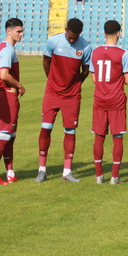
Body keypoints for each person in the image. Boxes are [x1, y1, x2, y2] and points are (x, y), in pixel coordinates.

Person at [36, 18, 93, 183]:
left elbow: (86, 70)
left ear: (80, 33)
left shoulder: (86, 46)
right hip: (52, 93)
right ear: (66, 29)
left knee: (70, 131)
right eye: (70, 36)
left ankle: (67, 171)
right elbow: (46, 62)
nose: (72, 39)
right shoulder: (53, 41)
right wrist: (52, 81)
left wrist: (74, 85)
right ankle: (42, 170)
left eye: (75, 37)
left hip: (72, 96)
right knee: (46, 128)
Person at [90, 20, 128, 185]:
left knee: (99, 137)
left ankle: (99, 175)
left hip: (100, 99)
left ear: (104, 33)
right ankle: (115, 176)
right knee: (117, 137)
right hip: (116, 100)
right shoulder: (123, 53)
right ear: (119, 33)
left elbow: (94, 78)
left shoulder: (95, 52)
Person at [0, 18, 25, 186]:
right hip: (6, 95)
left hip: (9, 96)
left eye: (22, 31)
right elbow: (4, 75)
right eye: (18, 31)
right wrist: (19, 85)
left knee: (10, 136)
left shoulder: (6, 48)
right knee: (4, 135)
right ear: (9, 31)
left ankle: (10, 172)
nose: (21, 34)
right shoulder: (7, 49)